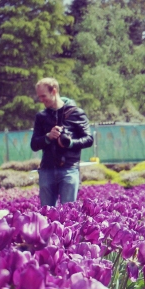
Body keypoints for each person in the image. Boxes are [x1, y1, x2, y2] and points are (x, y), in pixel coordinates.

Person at [30, 78, 93, 207]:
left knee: (69, 214)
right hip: (47, 170)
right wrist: (47, 137)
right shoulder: (41, 116)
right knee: (47, 214)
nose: (41, 100)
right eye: (39, 97)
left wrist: (70, 143)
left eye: (43, 96)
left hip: (69, 169)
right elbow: (34, 144)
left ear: (54, 91)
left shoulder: (76, 113)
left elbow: (89, 139)